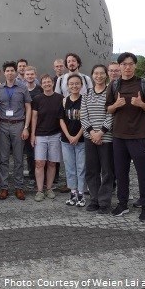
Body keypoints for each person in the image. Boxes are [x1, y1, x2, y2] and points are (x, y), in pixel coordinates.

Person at [106, 52, 145, 221]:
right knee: (121, 172)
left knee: (143, 172)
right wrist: (116, 105)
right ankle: (122, 203)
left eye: (130, 64)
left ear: (135, 65)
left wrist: (141, 104)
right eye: (124, 64)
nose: (127, 67)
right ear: (119, 66)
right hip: (118, 135)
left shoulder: (143, 84)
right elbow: (108, 109)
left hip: (139, 134)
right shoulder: (114, 85)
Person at [0, 61, 32, 200]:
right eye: (7, 71)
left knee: (18, 158)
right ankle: (4, 187)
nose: (10, 73)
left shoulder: (23, 88)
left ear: (16, 72)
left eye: (12, 70)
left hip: (18, 125)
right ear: (4, 73)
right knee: (3, 158)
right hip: (3, 125)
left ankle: (19, 187)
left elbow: (28, 107)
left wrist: (26, 127)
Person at [80, 65, 114, 214]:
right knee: (92, 171)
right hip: (90, 138)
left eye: (101, 73)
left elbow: (111, 115)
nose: (98, 76)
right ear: (92, 75)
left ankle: (105, 202)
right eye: (96, 73)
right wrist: (92, 134)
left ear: (106, 75)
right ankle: (94, 199)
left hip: (106, 138)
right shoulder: (86, 94)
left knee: (107, 172)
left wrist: (100, 133)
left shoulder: (110, 93)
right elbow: (83, 116)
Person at [30, 74, 63, 201]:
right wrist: (32, 134)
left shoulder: (60, 98)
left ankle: (49, 188)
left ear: (52, 83)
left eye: (49, 82)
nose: (47, 84)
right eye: (44, 82)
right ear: (41, 84)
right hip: (40, 135)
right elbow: (34, 117)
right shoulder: (37, 99)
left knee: (52, 163)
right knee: (39, 163)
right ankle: (39, 190)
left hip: (55, 135)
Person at [60, 73, 86, 207]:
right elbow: (61, 120)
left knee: (81, 167)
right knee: (70, 167)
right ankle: (73, 192)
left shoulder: (85, 100)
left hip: (81, 140)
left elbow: (86, 120)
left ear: (81, 85)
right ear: (67, 86)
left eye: (77, 83)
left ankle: (81, 194)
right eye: (71, 84)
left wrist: (76, 136)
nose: (74, 86)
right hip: (66, 140)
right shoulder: (64, 101)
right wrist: (69, 136)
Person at [23, 66, 42, 186]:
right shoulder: (21, 89)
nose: (30, 76)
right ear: (24, 76)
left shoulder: (40, 89)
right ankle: (31, 175)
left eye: (32, 74)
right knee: (29, 152)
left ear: (35, 75)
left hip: (39, 124)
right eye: (27, 74)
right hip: (24, 125)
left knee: (39, 152)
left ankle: (40, 176)